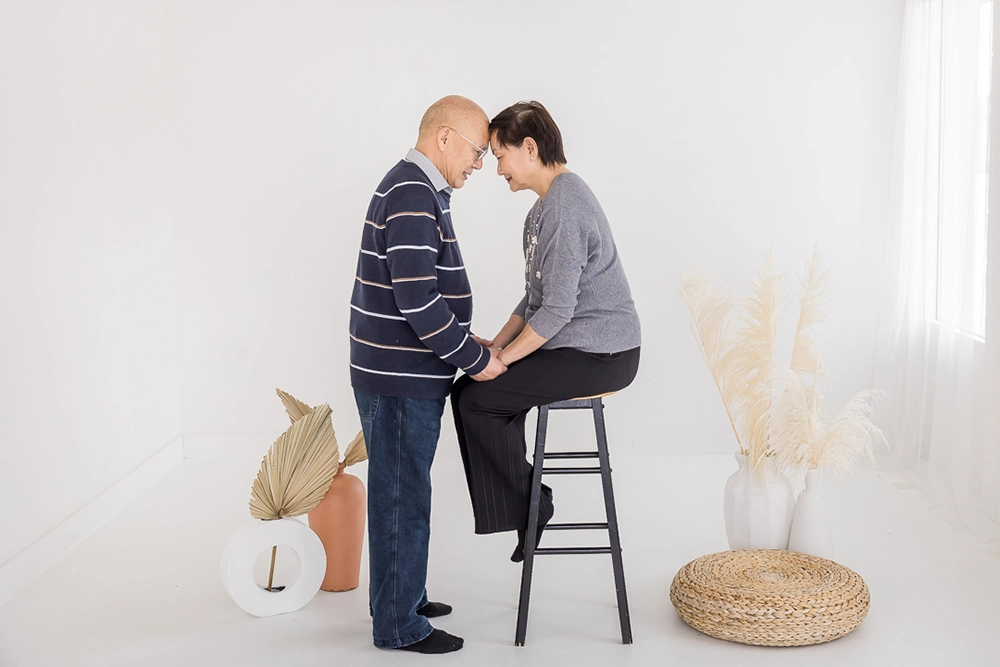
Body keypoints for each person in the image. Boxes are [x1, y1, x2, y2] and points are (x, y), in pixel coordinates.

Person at [451, 100, 641, 563]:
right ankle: (531, 504)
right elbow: (532, 300)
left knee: (477, 399)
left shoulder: (566, 203)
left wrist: (500, 363)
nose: (496, 170)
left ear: (529, 148)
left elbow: (556, 311)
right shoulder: (539, 213)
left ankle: (534, 505)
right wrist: (495, 347)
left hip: (605, 352)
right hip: (572, 344)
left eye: (499, 155)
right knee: (468, 395)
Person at [349, 95, 506, 654]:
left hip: (403, 372)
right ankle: (397, 625)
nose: (479, 165)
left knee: (405, 488)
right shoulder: (414, 192)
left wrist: (467, 340)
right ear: (444, 137)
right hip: (399, 377)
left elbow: (422, 292)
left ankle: (402, 598)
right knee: (400, 493)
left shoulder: (416, 189)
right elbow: (417, 300)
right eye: (476, 151)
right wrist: (475, 359)